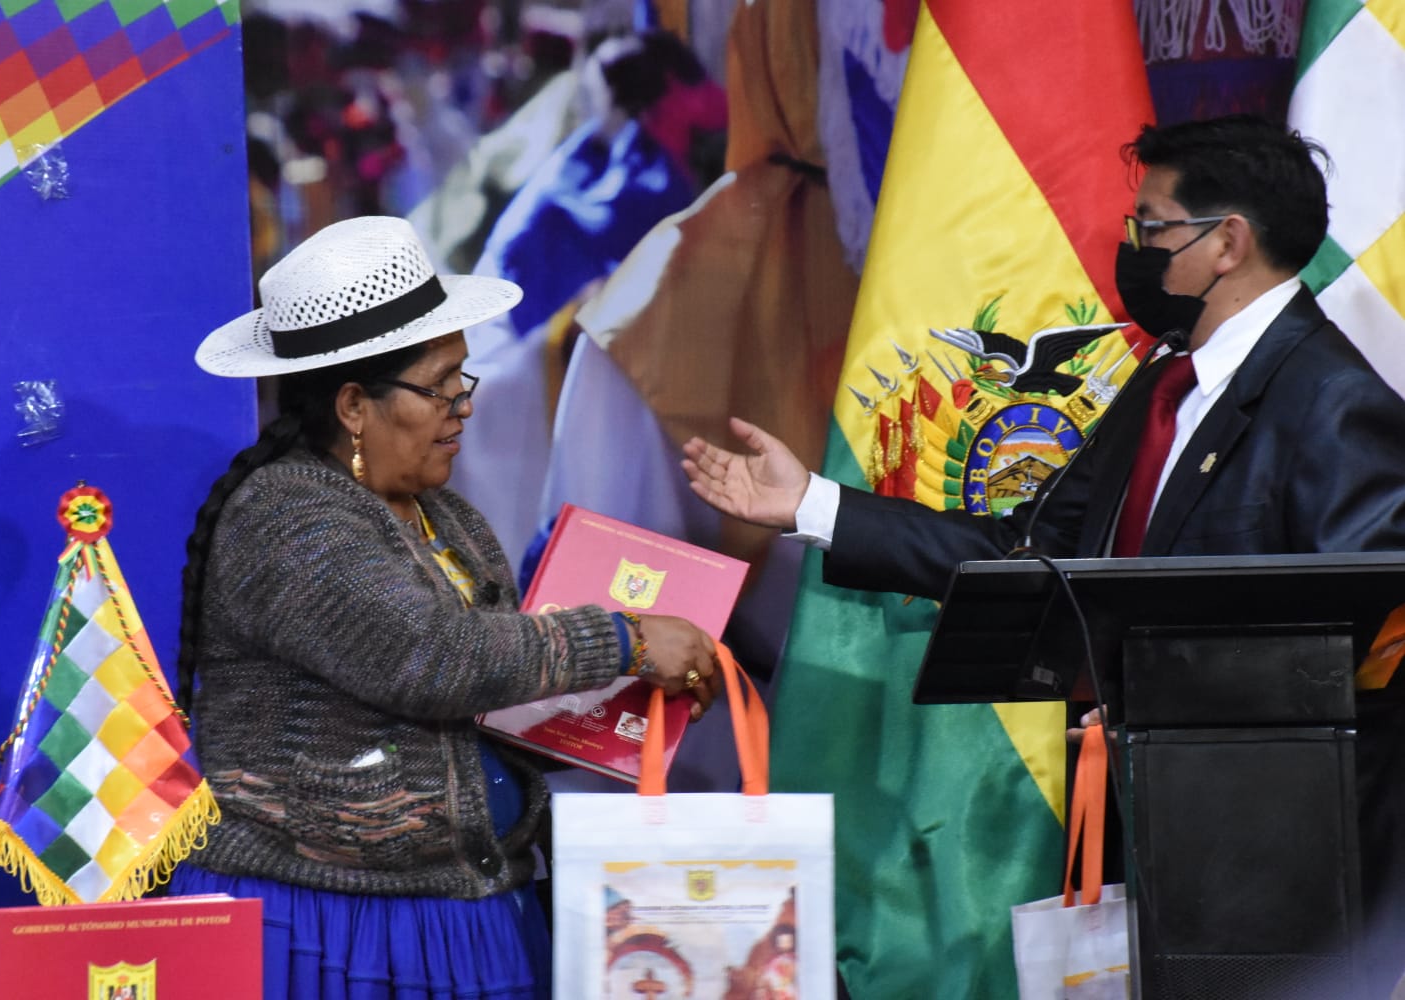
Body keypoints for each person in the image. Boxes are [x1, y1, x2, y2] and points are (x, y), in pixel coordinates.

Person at [681, 115, 1405, 995]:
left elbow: (1364, 642)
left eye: (1151, 228)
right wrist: (810, 503)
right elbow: (1028, 555)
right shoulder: (1165, 381)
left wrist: (1168, 696)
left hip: (1268, 858)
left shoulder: (1331, 401)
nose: (1133, 249)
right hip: (1145, 821)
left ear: (1227, 243)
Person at [169, 215, 723, 1000]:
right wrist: (624, 641)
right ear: (354, 405)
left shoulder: (446, 519)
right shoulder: (287, 516)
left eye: (464, 378)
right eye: (441, 385)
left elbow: (473, 710)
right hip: (336, 926)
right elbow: (431, 658)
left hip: (463, 913)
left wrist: (612, 720)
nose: (463, 405)